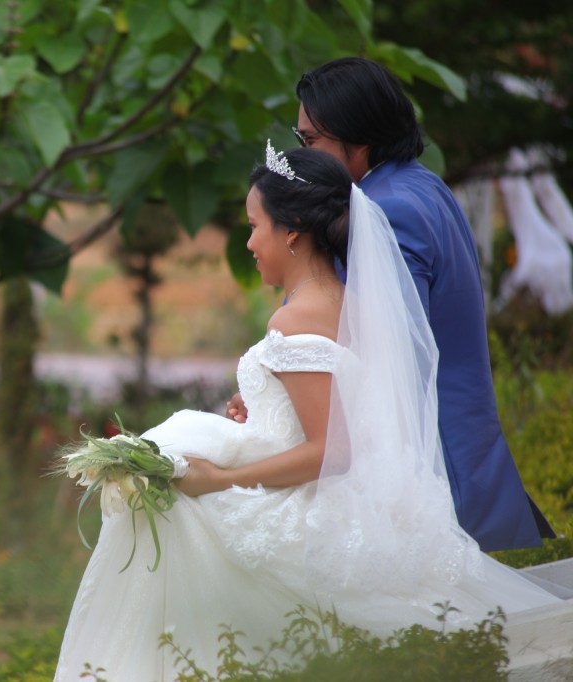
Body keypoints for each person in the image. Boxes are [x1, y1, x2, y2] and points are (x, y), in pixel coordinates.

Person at [54, 146, 560, 682]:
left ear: (291, 231)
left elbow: (331, 451)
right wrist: (267, 408)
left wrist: (222, 479)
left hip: (314, 498)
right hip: (339, 490)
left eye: (254, 226)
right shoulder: (352, 303)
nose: (248, 242)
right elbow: (345, 413)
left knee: (168, 514)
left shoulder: (296, 320)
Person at [228, 57, 553, 552]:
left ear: (359, 142)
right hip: (469, 450)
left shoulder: (387, 211)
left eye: (311, 141)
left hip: (436, 466)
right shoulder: (421, 185)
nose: (302, 156)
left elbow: (387, 357)